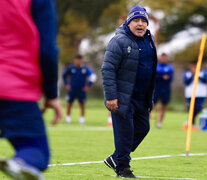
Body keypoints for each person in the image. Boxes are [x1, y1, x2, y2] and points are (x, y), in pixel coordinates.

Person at [0, 0, 62, 179]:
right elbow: (48, 50)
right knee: (35, 151)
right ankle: (22, 163)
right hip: (13, 86)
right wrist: (51, 93)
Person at [101, 5, 157, 178]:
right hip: (123, 97)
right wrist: (111, 97)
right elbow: (107, 69)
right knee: (125, 134)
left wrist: (149, 99)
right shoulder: (118, 41)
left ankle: (116, 157)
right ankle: (123, 169)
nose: (140, 24)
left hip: (142, 98)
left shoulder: (150, 39)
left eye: (143, 21)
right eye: (135, 20)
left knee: (143, 128)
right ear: (128, 22)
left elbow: (151, 69)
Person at [63, 55, 97, 124]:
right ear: (74, 60)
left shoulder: (85, 69)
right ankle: (68, 119)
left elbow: (93, 77)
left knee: (82, 104)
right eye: (76, 60)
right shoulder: (71, 68)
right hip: (72, 89)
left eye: (79, 60)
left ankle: (82, 120)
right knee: (69, 104)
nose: (78, 61)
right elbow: (64, 76)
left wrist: (88, 85)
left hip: (81, 90)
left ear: (82, 60)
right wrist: (66, 84)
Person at [183, 61, 207, 131]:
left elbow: (205, 80)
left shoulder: (203, 73)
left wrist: (197, 74)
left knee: (198, 108)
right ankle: (191, 123)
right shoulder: (187, 74)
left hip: (200, 94)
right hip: (190, 94)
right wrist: (193, 74)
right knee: (191, 108)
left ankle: (190, 121)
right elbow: (187, 82)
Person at [153, 53, 174, 128]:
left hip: (166, 90)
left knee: (164, 106)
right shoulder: (156, 66)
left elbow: (170, 79)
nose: (164, 59)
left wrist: (161, 76)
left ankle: (160, 123)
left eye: (165, 58)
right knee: (152, 104)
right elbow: (155, 77)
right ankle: (149, 118)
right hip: (156, 89)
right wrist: (162, 76)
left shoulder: (170, 68)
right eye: (162, 57)